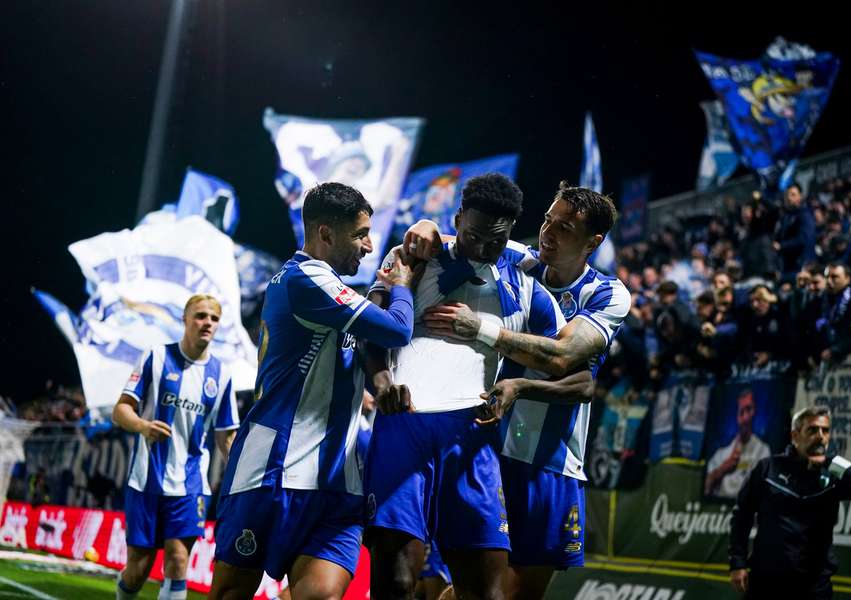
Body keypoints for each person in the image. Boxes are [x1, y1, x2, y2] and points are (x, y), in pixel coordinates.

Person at [407, 182, 630, 599]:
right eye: (547, 219)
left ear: (592, 242)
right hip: (487, 451)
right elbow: (458, 237)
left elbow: (569, 363)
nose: (547, 232)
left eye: (564, 228)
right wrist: (423, 226)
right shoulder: (516, 260)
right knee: (474, 587)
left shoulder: (607, 294)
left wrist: (486, 334)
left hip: (550, 462)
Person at [207, 182, 418, 600]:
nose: (369, 245)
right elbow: (397, 329)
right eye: (360, 234)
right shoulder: (305, 279)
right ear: (325, 233)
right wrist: (404, 284)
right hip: (273, 468)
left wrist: (379, 379)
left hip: (339, 479)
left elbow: (362, 339)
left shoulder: (330, 290)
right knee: (231, 593)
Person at [364, 173, 567, 600]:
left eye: (495, 241)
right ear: (457, 219)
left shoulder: (528, 283)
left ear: (510, 232)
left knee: (484, 593)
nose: (482, 248)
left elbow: (565, 360)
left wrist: (515, 385)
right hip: (406, 428)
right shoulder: (413, 257)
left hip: (473, 437)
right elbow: (372, 332)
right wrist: (382, 382)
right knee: (397, 582)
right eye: (473, 235)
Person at [112, 294, 240, 600]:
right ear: (185, 320)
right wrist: (143, 426)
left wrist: (241, 477)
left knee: (178, 559)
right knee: (138, 568)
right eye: (200, 316)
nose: (207, 323)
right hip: (147, 479)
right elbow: (121, 410)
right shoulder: (155, 357)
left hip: (191, 482)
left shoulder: (221, 375)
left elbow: (226, 436)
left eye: (213, 318)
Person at [729, 406, 851, 599]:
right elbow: (742, 515)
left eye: (825, 431)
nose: (820, 436)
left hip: (813, 587)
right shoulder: (768, 469)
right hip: (766, 583)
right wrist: (737, 563)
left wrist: (829, 462)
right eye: (812, 430)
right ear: (795, 436)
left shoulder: (833, 472)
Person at [704, 390, 771, 498]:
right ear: (736, 415)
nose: (745, 417)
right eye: (741, 412)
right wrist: (722, 470)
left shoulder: (763, 451)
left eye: (749, 409)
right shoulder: (721, 453)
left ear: (755, 411)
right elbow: (705, 488)